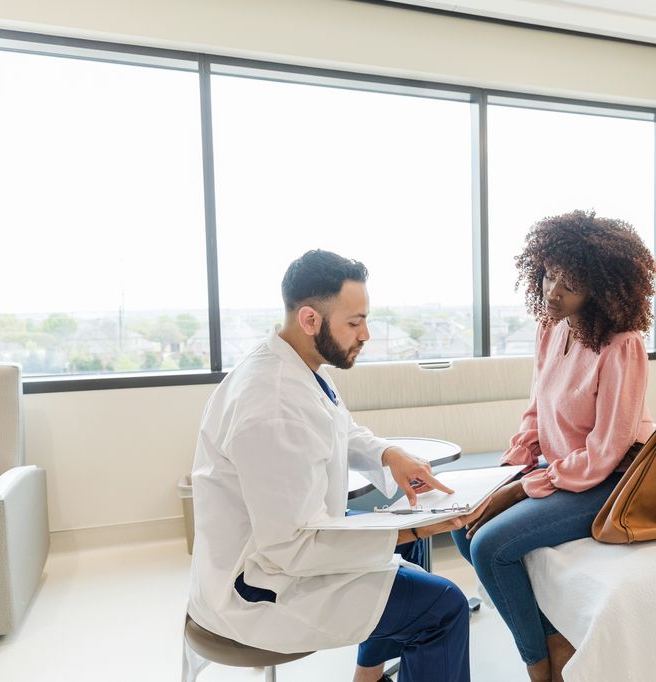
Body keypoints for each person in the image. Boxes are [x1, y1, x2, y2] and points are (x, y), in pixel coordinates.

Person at [188, 249, 487, 682]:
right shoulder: (272, 404)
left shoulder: (301, 366)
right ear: (310, 320)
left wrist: (388, 454)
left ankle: (367, 676)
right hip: (259, 586)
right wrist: (419, 527)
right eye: (353, 322)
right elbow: (289, 547)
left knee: (404, 545)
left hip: (278, 544)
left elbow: (341, 429)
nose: (365, 333)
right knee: (443, 606)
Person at [451, 210, 656, 682]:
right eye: (548, 277)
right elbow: (537, 408)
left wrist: (523, 491)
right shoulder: (551, 326)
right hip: (567, 468)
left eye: (570, 285)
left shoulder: (621, 346)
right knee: (465, 526)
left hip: (614, 478)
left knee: (488, 547)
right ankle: (553, 636)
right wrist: (514, 467)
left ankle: (539, 667)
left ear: (602, 289)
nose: (552, 292)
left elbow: (606, 451)